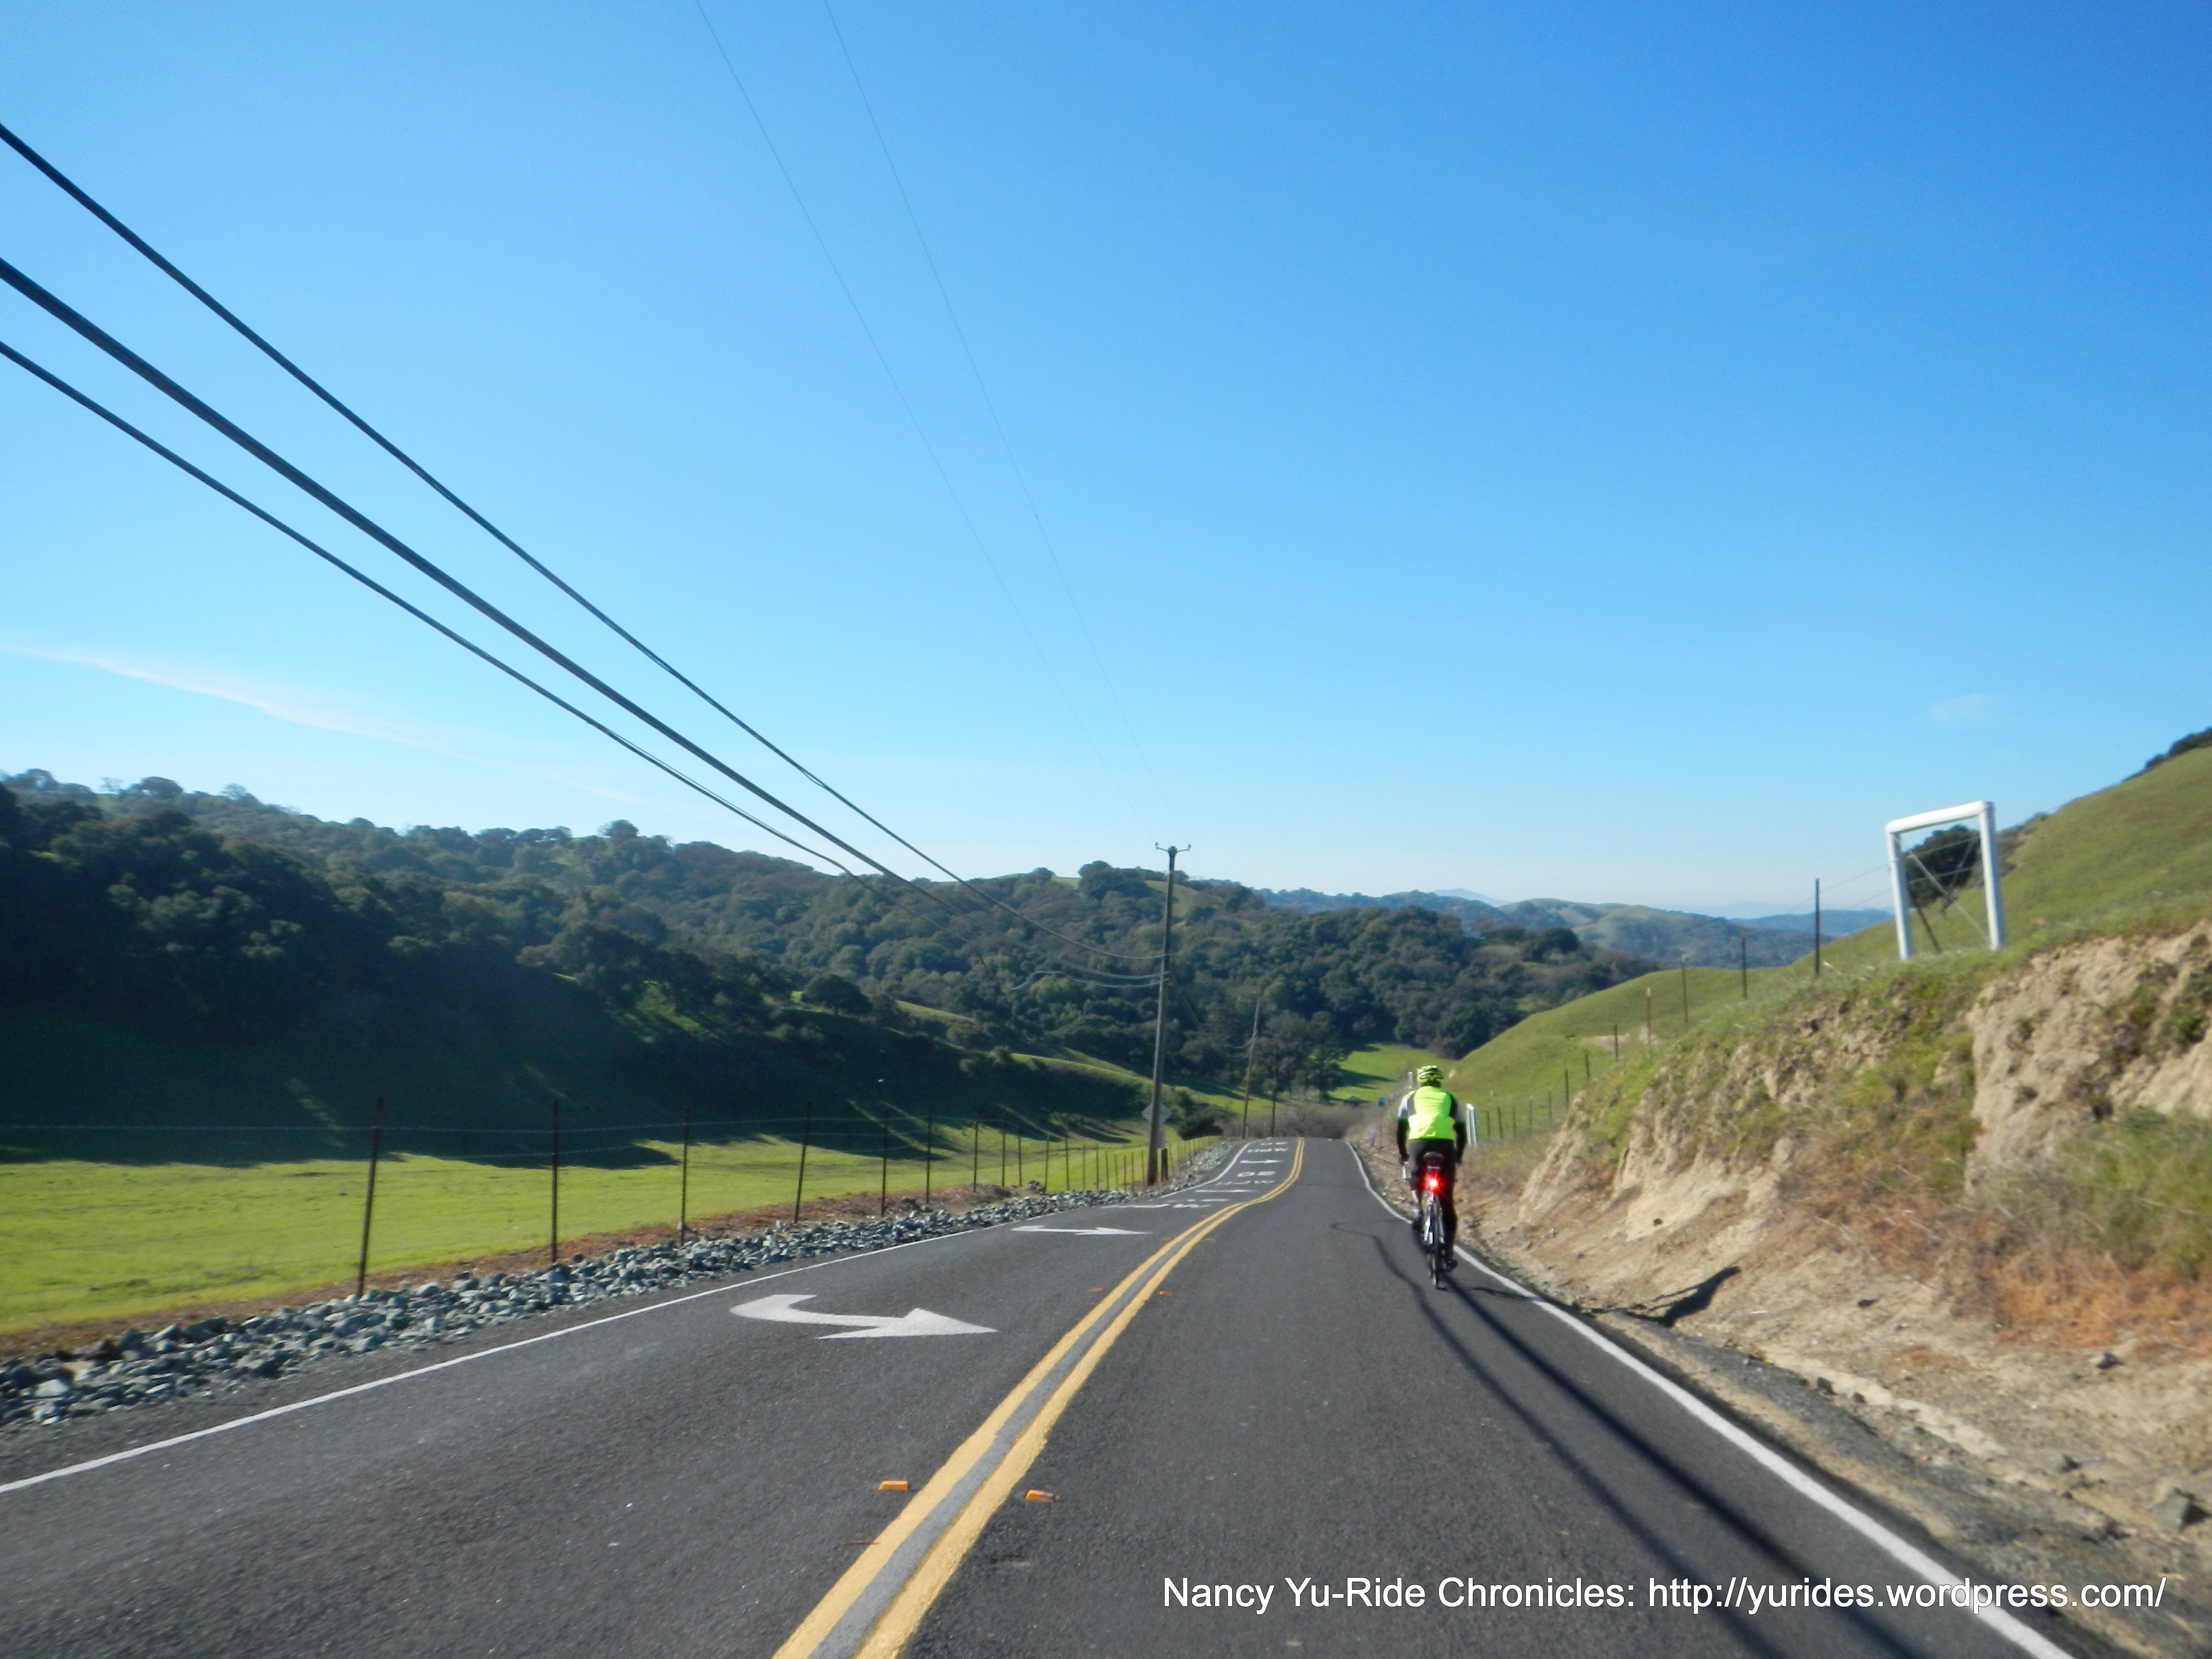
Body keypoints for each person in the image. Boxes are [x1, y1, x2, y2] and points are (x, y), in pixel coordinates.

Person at [1395, 1065, 1469, 1252]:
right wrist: (1458, 1157)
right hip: (1445, 1144)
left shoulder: (1409, 1098)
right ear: (1440, 1082)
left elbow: (1401, 1129)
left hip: (1418, 1142)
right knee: (1447, 1200)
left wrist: (1403, 1154)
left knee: (1417, 1176)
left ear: (1420, 1082)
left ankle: (1419, 1209)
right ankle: (1449, 1249)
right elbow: (1462, 1133)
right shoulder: (1451, 1098)